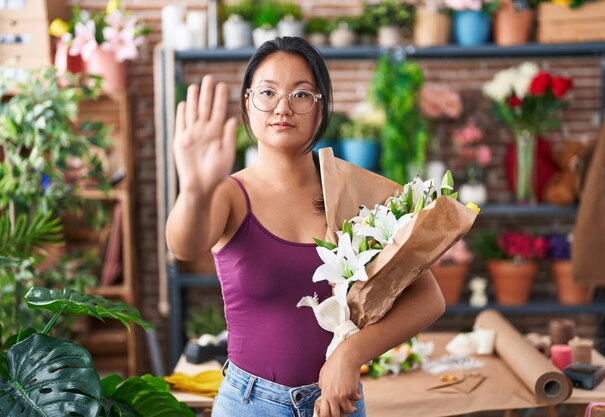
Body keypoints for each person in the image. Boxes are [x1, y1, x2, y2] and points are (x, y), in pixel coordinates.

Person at [166, 36, 445, 417]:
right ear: (248, 102)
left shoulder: (350, 192)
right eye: (267, 92)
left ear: (320, 108)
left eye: (300, 95)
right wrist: (195, 189)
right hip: (249, 404)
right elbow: (183, 246)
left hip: (336, 402)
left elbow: (429, 299)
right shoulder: (227, 194)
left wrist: (350, 355)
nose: (282, 107)